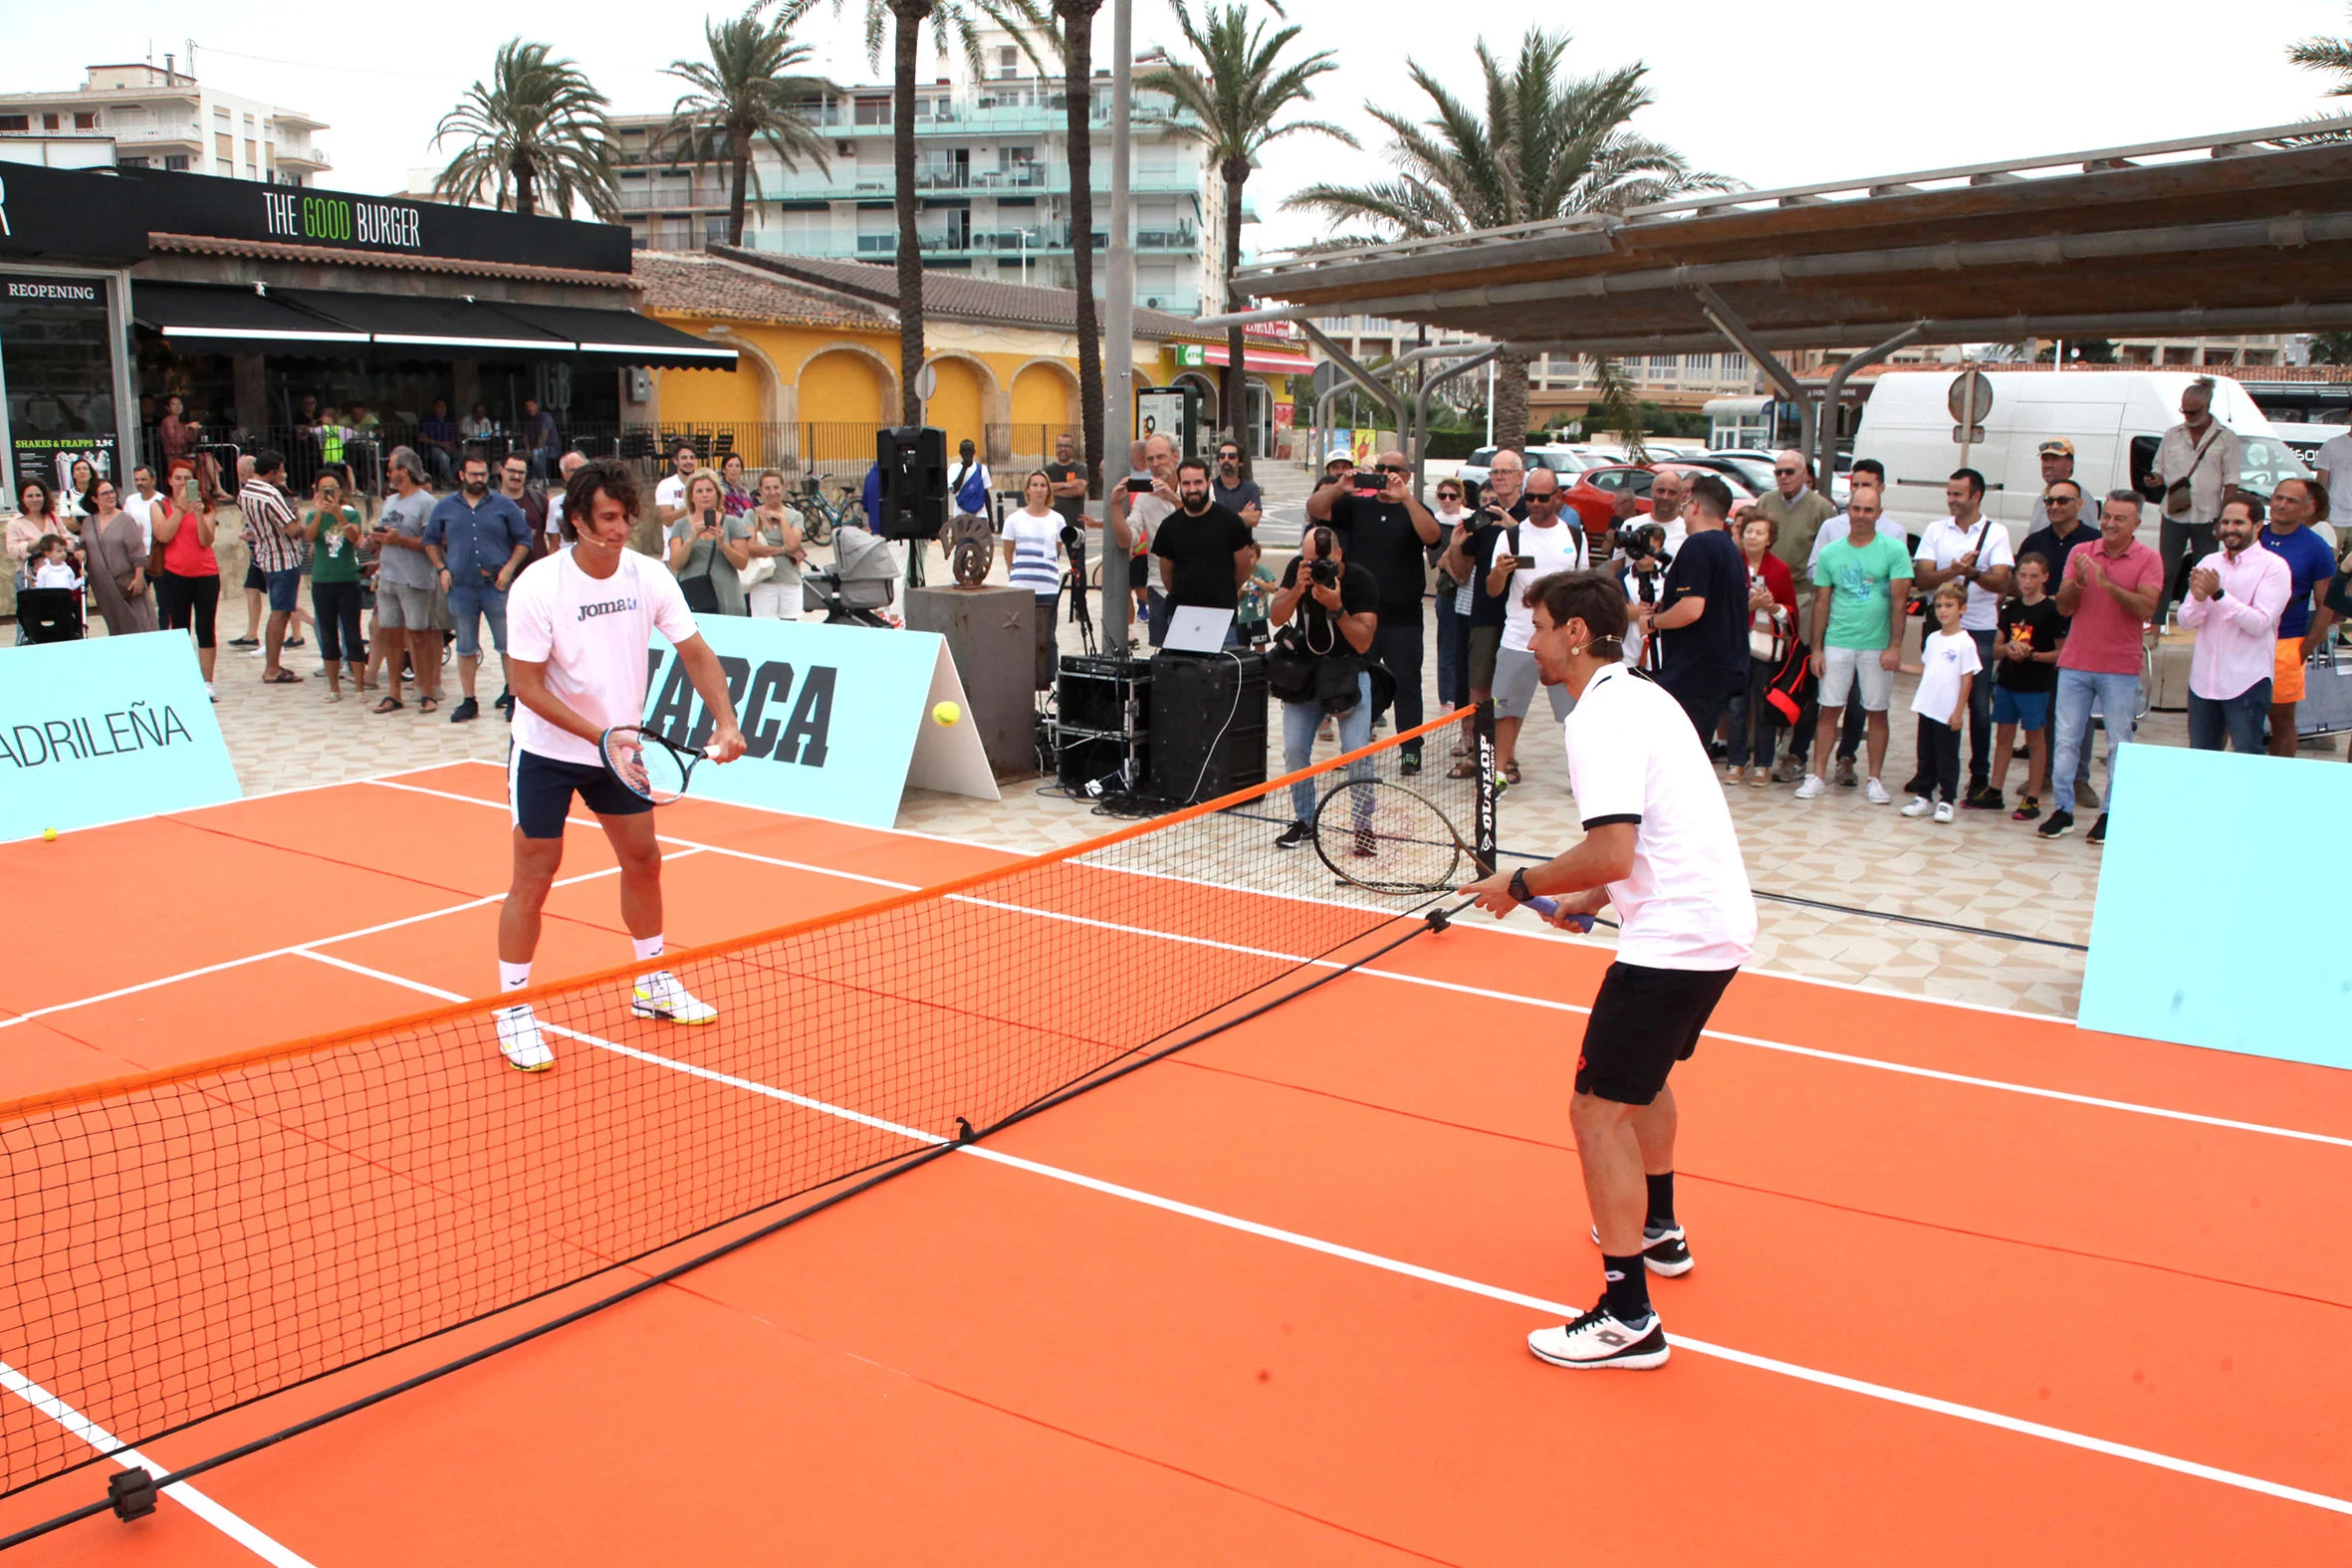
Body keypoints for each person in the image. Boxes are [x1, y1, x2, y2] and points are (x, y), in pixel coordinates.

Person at [1460, 570, 1755, 1370]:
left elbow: (1614, 846)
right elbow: (1641, 843)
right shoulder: (1645, 695)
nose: (1535, 641)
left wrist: (1518, 883)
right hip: (1715, 927)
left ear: (1578, 635)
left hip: (1675, 942)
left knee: (1594, 1113)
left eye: (1544, 626)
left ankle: (1628, 1315)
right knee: (1643, 1081)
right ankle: (1657, 1226)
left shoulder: (1597, 718)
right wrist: (1592, 895)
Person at [491, 459, 747, 1073]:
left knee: (644, 860)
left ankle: (651, 982)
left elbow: (696, 651)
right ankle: (514, 1010)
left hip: (617, 750)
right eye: (606, 518)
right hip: (548, 751)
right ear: (577, 520)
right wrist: (600, 736)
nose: (618, 529)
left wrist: (728, 720)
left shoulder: (648, 575)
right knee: (536, 873)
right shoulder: (538, 586)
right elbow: (524, 685)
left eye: (625, 518)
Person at [2040, 492, 2165, 844]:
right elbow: (2063, 608)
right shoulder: (2081, 553)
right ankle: (2063, 809)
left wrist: (2108, 584)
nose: (2110, 524)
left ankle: (2112, 812)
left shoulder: (2149, 559)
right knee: (2065, 739)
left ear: (2137, 524)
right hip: (2076, 662)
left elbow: (2145, 608)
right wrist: (2079, 582)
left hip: (2119, 667)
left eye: (2119, 518)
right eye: (2107, 516)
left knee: (2118, 743)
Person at [1305, 446, 1441, 771]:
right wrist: (1341, 486)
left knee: (1407, 683)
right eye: (1381, 467)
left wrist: (1406, 497)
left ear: (1407, 475)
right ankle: (1355, 748)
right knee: (1357, 683)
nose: (1387, 473)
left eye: (1395, 469)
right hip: (1362, 615)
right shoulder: (1356, 506)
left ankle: (1410, 748)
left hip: (1403, 616)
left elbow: (1433, 537)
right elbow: (1315, 507)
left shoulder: (1414, 508)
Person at [1795, 487, 1912, 803]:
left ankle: (1875, 778)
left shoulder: (1894, 550)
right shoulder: (1831, 553)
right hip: (1838, 642)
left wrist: (1895, 646)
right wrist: (1817, 649)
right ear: (1848, 511)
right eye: (1856, 509)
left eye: (1868, 510)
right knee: (1828, 709)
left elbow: (1899, 603)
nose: (1861, 515)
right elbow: (1821, 603)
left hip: (1877, 644)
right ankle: (1817, 774)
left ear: (1878, 513)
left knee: (1877, 711)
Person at [1911, 468, 2015, 807]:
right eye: (1949, 493)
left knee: (1978, 704)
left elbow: (2003, 582)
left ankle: (1979, 775)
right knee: (1934, 696)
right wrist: (1955, 571)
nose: (1951, 500)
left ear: (1976, 496)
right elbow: (1922, 578)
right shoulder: (1935, 530)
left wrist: (1974, 574)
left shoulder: (1996, 532)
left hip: (1980, 627)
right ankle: (1928, 773)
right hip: (1940, 625)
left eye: (1958, 494)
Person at [1269, 526, 1380, 847]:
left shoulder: (1360, 579)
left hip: (1348, 672)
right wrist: (1295, 591)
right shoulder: (1297, 571)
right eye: (1309, 560)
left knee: (1357, 750)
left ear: (1339, 555)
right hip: (1304, 673)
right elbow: (1276, 617)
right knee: (1293, 750)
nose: (1317, 567)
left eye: (1324, 560)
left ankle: (1362, 825)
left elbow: (1363, 642)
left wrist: (1338, 608)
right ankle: (1305, 819)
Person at [1486, 468, 1588, 783]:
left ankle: (1583, 778)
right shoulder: (1510, 536)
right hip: (1518, 637)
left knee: (1577, 716)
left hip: (1564, 643)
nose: (1535, 503)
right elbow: (1492, 590)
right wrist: (1500, 573)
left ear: (1558, 497)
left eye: (1542, 497)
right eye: (1529, 497)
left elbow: (1584, 587)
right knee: (1504, 710)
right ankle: (1500, 772)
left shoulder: (1574, 536)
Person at [1638, 473, 1748, 745]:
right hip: (1721, 667)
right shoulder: (1728, 547)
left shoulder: (1699, 545)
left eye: (1686, 506)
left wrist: (1653, 622)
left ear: (1696, 507)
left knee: (1679, 750)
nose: (1684, 513)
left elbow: (1692, 608)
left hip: (1696, 671)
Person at [2178, 492, 2290, 755]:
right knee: (2201, 757)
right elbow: (2185, 620)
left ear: (2258, 525)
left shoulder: (2274, 567)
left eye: (2238, 523)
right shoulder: (2209, 562)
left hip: (2247, 681)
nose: (2230, 529)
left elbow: (2259, 623)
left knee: (2247, 757)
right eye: (2226, 522)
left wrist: (2219, 595)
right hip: (2203, 681)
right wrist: (2198, 598)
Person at [427, 453, 534, 723]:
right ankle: (469, 699)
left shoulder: (503, 505)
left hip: (495, 585)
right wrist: (441, 568)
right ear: (461, 475)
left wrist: (508, 569)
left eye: (483, 474)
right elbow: (429, 540)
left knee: (507, 644)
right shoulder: (445, 506)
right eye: (473, 474)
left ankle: (513, 696)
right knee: (465, 645)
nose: (479, 480)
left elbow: (524, 540)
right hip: (462, 586)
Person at [1440, 448, 1528, 772]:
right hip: (1485, 615)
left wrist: (1516, 530)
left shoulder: (1531, 514)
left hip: (1522, 615)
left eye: (1506, 471)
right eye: (1495, 472)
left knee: (1513, 688)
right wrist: (1456, 544)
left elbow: (1541, 561)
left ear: (1520, 476)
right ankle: (1480, 754)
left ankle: (1507, 756)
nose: (1500, 477)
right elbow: (1462, 572)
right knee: (1480, 686)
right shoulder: (1484, 516)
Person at [2017, 478, 2102, 807]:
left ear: (2079, 504)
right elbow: (2020, 590)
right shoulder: (2035, 542)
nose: (2054, 507)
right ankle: (2047, 774)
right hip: (2041, 641)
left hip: (2082, 636)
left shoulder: (2094, 542)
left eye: (2062, 501)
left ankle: (2079, 780)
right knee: (2044, 710)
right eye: (2049, 501)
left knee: (2080, 713)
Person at [2150, 377, 2242, 627]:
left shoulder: (2226, 438)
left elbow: (2231, 482)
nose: (2188, 416)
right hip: (2174, 513)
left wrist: (2226, 518)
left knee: (2204, 572)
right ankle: (2157, 621)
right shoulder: (2172, 435)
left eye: (2193, 411)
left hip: (2209, 515)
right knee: (2166, 570)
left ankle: (2201, 620)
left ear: (2207, 406)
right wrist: (2154, 479)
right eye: (2185, 411)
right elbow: (2158, 468)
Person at [2259, 477, 2337, 758]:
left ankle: (2280, 780)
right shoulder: (2252, 536)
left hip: (2288, 642)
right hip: (2242, 641)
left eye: (2291, 500)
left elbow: (2327, 603)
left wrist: (2306, 647)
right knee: (2233, 716)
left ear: (2307, 508)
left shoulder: (2316, 548)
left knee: (2281, 719)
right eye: (2278, 497)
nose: (2281, 505)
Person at [1990, 554, 2065, 821]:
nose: (2027, 581)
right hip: (2009, 680)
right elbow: (1996, 648)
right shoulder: (2010, 609)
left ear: (2045, 577)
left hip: (2036, 684)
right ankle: (1995, 789)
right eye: (2023, 575)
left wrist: (2032, 655)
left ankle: (2032, 796)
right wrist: (2008, 649)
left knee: (2035, 739)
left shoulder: (2052, 611)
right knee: (2003, 737)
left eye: (2034, 576)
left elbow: (2060, 653)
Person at [369, 447, 445, 715]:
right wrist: (376, 541)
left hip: (414, 579)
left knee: (419, 636)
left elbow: (433, 542)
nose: (389, 473)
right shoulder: (389, 502)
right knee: (390, 635)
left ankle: (426, 691)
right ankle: (393, 693)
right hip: (388, 576)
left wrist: (400, 540)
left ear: (406, 470)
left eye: (392, 468)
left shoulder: (426, 503)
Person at [1898, 581, 1981, 822]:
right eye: (1939, 606)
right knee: (1926, 753)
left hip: (1947, 711)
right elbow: (1928, 669)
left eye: (1949, 605)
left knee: (1947, 756)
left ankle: (1946, 800)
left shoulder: (1966, 643)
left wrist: (1958, 712)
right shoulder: (1934, 638)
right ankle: (1924, 796)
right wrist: (1900, 666)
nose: (1943, 611)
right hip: (1927, 706)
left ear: (1962, 609)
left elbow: (1967, 680)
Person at [1727, 510, 1796, 786]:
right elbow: (1723, 608)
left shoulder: (1780, 569)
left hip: (1766, 647)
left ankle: (1763, 764)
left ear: (1770, 539)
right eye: (1748, 531)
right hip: (1735, 645)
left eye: (1759, 532)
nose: (1752, 537)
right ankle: (1735, 761)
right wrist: (1748, 606)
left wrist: (1772, 607)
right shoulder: (1732, 564)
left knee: (1764, 706)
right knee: (1736, 707)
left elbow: (1790, 610)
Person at [1151, 458, 1254, 644]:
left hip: (1222, 619)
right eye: (1186, 483)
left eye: (1198, 482)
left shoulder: (1230, 522)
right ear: (1180, 486)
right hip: (1181, 619)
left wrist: (1225, 590)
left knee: (1222, 673)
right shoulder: (1169, 526)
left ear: (1208, 483)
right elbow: (1167, 577)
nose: (1192, 489)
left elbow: (1244, 568)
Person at [239, 451, 309, 685]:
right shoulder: (270, 494)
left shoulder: (245, 491)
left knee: (280, 609)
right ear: (272, 471)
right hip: (283, 557)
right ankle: (272, 667)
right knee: (281, 612)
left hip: (264, 555)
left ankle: (273, 664)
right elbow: (290, 528)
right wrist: (306, 528)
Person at [153, 463, 221, 699]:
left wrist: (198, 514)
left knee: (205, 627)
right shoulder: (159, 506)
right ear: (170, 481)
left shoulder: (207, 507)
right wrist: (181, 509)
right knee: (179, 627)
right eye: (178, 478)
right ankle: (183, 677)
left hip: (205, 574)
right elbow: (163, 535)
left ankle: (207, 681)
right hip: (175, 574)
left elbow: (206, 540)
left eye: (187, 479)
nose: (182, 483)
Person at [1108, 432, 1180, 643]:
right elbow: (1126, 540)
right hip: (1158, 587)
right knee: (1162, 656)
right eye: (1150, 459)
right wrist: (1115, 505)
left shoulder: (1195, 487)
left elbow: (1205, 526)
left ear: (1175, 456)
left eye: (1161, 457)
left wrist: (1175, 499)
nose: (1156, 464)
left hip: (1193, 587)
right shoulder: (1144, 499)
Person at [304, 473, 366, 700]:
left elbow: (354, 538)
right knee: (328, 634)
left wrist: (339, 515)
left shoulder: (351, 513)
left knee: (352, 632)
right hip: (322, 580)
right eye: (324, 488)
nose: (329, 492)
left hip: (347, 579)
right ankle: (334, 687)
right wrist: (321, 512)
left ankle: (359, 686)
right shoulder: (312, 515)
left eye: (333, 488)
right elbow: (310, 537)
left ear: (340, 491)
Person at [1003, 470, 1066, 682]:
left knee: (1048, 637)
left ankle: (1049, 679)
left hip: (1048, 589)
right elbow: (1008, 551)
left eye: (1043, 485)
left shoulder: (1057, 520)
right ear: (1027, 489)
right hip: (1021, 587)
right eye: (1035, 485)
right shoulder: (1014, 520)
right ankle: (1018, 678)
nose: (1039, 489)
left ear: (1048, 490)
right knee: (1019, 635)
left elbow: (1057, 549)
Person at [668, 470, 754, 617]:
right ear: (692, 497)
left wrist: (722, 543)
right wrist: (690, 540)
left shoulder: (732, 523)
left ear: (717, 495)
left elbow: (742, 563)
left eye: (709, 490)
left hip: (727, 596)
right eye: (699, 491)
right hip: (694, 595)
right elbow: (675, 564)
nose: (705, 494)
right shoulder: (680, 525)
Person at [1431, 476, 1474, 751]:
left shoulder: (1470, 522)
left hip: (1471, 594)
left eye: (1452, 496)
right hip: (1448, 593)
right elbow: (1438, 560)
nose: (1447, 501)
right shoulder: (1435, 523)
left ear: (1461, 498)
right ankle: (1447, 697)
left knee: (1469, 651)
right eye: (1442, 495)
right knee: (1447, 646)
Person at [1758, 449, 1839, 587]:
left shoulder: (1822, 508)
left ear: (1804, 474)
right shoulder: (1765, 501)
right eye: (1778, 472)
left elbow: (1830, 554)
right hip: (1765, 586)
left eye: (1789, 472)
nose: (1783, 476)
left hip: (1802, 591)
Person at [745, 469, 806, 620]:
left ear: (783, 488)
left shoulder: (795, 516)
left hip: (790, 580)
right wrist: (783, 550)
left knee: (790, 629)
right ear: (760, 490)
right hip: (762, 582)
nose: (772, 492)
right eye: (767, 488)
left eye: (776, 487)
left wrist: (783, 520)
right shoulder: (751, 515)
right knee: (764, 630)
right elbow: (751, 548)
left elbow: (792, 545)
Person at [7, 477, 64, 586]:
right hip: (29, 577)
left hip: (56, 575)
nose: (35, 499)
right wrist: (36, 543)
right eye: (30, 496)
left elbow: (67, 539)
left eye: (38, 495)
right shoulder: (15, 523)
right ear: (22, 498)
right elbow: (13, 551)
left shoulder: (52, 518)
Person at [498, 453, 549, 562]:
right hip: (502, 571)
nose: (516, 476)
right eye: (511, 471)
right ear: (501, 470)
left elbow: (552, 536)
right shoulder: (490, 503)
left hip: (536, 568)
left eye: (521, 472)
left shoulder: (539, 500)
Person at [2024, 440, 2080, 534]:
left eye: (2055, 459)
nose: (2048, 465)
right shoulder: (2042, 499)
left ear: (2070, 465)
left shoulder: (2077, 498)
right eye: (2045, 459)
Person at [544, 450, 588, 554]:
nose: (578, 474)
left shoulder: (597, 501)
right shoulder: (555, 504)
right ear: (564, 474)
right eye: (573, 470)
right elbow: (554, 544)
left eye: (581, 469)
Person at [1234, 539, 1276, 648]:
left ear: (1257, 558)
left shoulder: (1262, 571)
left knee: (1260, 647)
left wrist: (1255, 581)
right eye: (1246, 557)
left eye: (1251, 557)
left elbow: (1272, 588)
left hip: (1258, 618)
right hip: (1242, 618)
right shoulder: (1238, 572)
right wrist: (1241, 592)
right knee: (1242, 648)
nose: (1249, 560)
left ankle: (1260, 664)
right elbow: (1234, 599)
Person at [1045, 431, 1088, 533]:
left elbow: (1079, 491)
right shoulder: (1047, 470)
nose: (1063, 449)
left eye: (1067, 446)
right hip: (1051, 527)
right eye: (1060, 445)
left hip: (1075, 526)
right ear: (1056, 447)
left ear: (1072, 448)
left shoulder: (1080, 469)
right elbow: (1042, 488)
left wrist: (1052, 491)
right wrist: (1066, 485)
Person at [1211, 439, 1263, 527]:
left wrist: (1218, 517)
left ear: (1240, 462)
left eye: (1231, 456)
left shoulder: (1251, 489)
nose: (1226, 459)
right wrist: (1242, 515)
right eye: (1222, 456)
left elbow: (1253, 519)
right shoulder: (1210, 487)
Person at [949, 438, 994, 529]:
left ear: (974, 452)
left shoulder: (982, 469)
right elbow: (954, 489)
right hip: (961, 516)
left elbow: (986, 495)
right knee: (963, 543)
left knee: (980, 543)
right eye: (964, 450)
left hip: (980, 516)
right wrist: (964, 468)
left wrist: (991, 520)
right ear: (960, 452)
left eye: (969, 450)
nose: (966, 453)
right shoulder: (953, 468)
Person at [120, 464, 161, 559]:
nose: (139, 483)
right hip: (135, 552)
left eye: (143, 479)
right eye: (137, 480)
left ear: (153, 480)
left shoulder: (162, 500)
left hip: (155, 552)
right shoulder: (130, 500)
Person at [417, 397, 460, 487]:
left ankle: (445, 479)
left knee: (460, 456)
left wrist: (452, 446)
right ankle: (451, 480)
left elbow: (452, 438)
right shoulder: (427, 421)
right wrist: (440, 444)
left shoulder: (448, 421)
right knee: (444, 457)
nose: (442, 409)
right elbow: (422, 438)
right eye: (439, 407)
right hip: (431, 449)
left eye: (443, 407)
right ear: (434, 408)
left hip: (447, 447)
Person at [655, 441, 699, 529]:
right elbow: (667, 521)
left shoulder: (703, 483)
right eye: (684, 458)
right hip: (676, 540)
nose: (688, 461)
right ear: (675, 461)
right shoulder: (665, 485)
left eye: (692, 458)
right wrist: (692, 505)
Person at [519, 397, 560, 478]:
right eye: (527, 406)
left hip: (551, 448)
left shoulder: (545, 417)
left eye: (532, 405)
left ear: (536, 406)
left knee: (537, 454)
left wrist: (534, 450)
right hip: (533, 448)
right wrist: (527, 450)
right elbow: (525, 436)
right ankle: (529, 479)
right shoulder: (527, 419)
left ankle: (542, 480)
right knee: (519, 455)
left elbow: (544, 436)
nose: (530, 408)